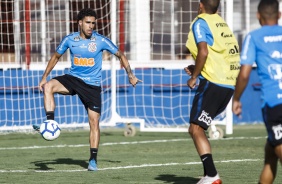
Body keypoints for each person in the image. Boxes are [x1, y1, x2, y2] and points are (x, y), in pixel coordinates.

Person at [33, 8, 142, 171]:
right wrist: (44, 77)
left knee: (94, 123)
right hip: (73, 79)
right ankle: (50, 122)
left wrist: (130, 74)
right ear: (80, 23)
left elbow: (121, 55)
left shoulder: (101, 41)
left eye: (93, 23)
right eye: (88, 23)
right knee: (48, 86)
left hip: (92, 86)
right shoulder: (70, 39)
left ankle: (92, 160)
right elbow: (55, 57)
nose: (91, 26)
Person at [184, 0, 240, 183]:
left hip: (214, 83)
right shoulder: (221, 23)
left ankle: (211, 175)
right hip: (228, 84)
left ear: (200, 5)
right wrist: (198, 69)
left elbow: (204, 51)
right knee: (198, 127)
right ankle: (209, 175)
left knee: (195, 128)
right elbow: (219, 54)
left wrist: (194, 77)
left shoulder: (201, 22)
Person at [232, 0, 282, 183]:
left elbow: (244, 74)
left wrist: (236, 99)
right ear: (279, 15)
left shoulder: (254, 37)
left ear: (258, 16)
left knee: (278, 146)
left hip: (275, 104)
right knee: (270, 154)